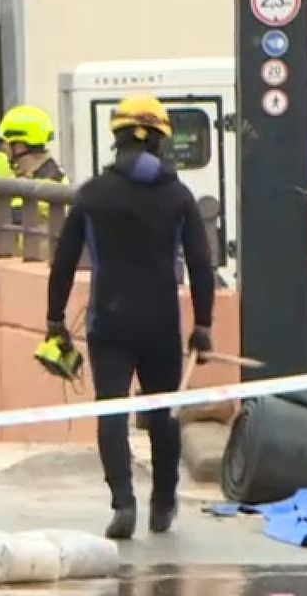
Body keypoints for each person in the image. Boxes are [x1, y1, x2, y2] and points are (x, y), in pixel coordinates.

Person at [44, 94, 215, 541]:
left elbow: (62, 261)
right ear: (160, 142)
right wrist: (203, 325)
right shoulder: (178, 196)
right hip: (161, 322)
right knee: (164, 413)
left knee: (113, 411)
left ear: (116, 139)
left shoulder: (93, 194)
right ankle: (163, 503)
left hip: (109, 321)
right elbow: (200, 263)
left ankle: (122, 502)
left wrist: (55, 318)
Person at [0, 104, 69, 243]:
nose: (2, 148)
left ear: (19, 146)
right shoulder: (29, 176)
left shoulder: (50, 183)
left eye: (4, 143)